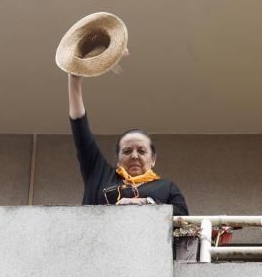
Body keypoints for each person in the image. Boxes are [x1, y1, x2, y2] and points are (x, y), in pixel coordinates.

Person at [67, 72, 188, 215]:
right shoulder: (100, 175)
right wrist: (74, 80)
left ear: (153, 159)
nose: (134, 156)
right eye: (127, 151)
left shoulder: (167, 187)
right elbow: (81, 133)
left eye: (142, 151)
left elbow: (183, 217)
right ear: (118, 160)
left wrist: (146, 202)